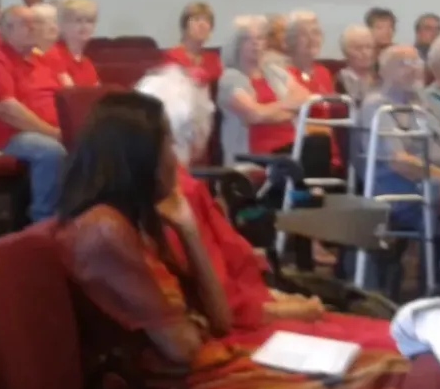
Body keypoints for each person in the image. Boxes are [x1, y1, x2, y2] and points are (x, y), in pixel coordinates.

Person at [54, 90, 404, 389]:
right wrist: (194, 321)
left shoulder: (138, 215)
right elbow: (182, 348)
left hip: (202, 360)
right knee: (365, 385)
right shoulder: (105, 230)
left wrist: (188, 232)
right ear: (137, 157)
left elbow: (218, 320)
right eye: (167, 143)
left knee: (384, 370)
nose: (176, 155)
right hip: (167, 388)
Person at [137, 68, 375, 337]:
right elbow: (225, 299)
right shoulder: (182, 193)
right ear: (194, 130)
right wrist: (291, 309)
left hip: (252, 300)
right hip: (247, 324)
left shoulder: (169, 186)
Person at [360, 46, 440, 268]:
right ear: (383, 71)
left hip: (439, 180)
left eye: (416, 63)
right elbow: (399, 161)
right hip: (403, 185)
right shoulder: (377, 105)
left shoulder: (425, 101)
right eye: (403, 63)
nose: (413, 69)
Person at [0, 7, 66, 221]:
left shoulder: (39, 60)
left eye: (35, 24)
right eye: (26, 24)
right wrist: (52, 132)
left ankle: (78, 219)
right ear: (6, 30)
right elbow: (6, 109)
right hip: (10, 135)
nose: (33, 28)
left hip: (51, 130)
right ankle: (44, 221)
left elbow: (64, 95)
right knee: (51, 151)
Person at [217, 16, 301, 163]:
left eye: (260, 38)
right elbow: (255, 115)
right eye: (248, 39)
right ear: (237, 44)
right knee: (312, 151)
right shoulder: (230, 78)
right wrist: (291, 109)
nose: (256, 44)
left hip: (291, 147)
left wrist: (266, 111)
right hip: (255, 157)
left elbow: (305, 99)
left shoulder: (275, 71)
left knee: (318, 144)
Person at [161, 0, 222, 85]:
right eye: (197, 19)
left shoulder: (213, 59)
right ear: (185, 26)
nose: (202, 24)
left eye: (207, 21)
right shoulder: (173, 56)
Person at [48, 0, 100, 86]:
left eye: (89, 21)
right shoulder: (54, 53)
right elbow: (70, 93)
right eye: (78, 20)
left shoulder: (87, 63)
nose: (84, 26)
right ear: (62, 24)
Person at [336, 23, 378, 100]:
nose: (365, 53)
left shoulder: (381, 77)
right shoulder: (342, 81)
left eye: (368, 47)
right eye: (358, 48)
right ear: (345, 52)